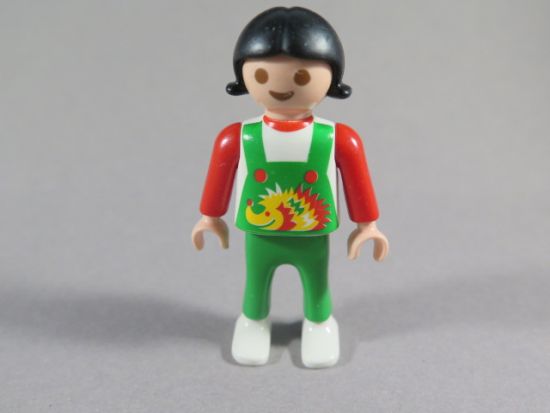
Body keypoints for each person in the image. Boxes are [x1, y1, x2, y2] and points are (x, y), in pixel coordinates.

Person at [192, 6, 389, 368]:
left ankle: (319, 323)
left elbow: (357, 180)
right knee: (256, 280)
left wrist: (367, 225)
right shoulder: (238, 137)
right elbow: (219, 178)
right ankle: (253, 322)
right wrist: (210, 216)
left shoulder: (337, 138)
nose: (281, 86)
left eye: (302, 75)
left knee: (316, 281)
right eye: (261, 73)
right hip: (261, 231)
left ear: (331, 76)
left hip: (312, 231)